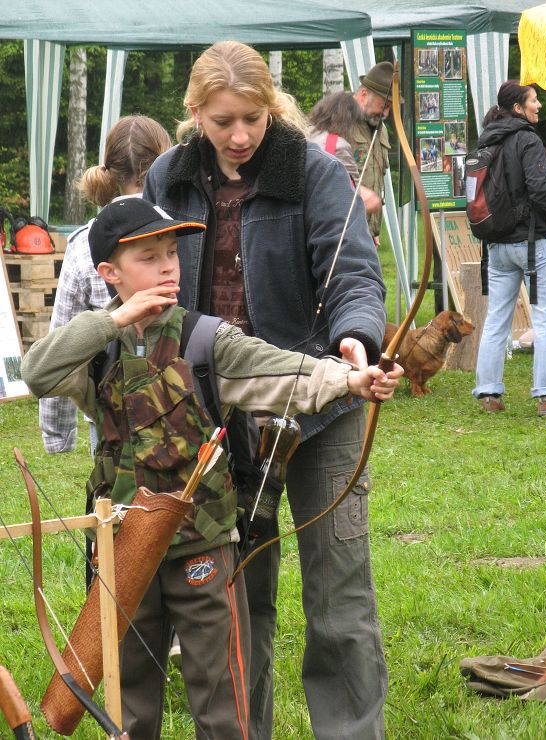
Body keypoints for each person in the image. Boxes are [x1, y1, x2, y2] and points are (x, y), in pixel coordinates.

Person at [20, 197, 401, 740]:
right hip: (124, 544)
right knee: (130, 696)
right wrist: (114, 319)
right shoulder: (97, 349)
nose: (167, 267)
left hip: (203, 542)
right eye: (148, 257)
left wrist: (351, 379)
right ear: (108, 273)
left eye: (171, 254)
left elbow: (281, 370)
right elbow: (36, 372)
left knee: (221, 691)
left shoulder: (204, 338)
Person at [143, 40, 397, 740]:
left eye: (252, 118)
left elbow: (354, 274)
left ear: (272, 108)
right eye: (223, 120)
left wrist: (356, 338)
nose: (240, 135)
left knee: (339, 596)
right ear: (195, 112)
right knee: (234, 597)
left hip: (321, 406)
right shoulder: (168, 176)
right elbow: (145, 278)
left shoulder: (314, 171)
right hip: (215, 417)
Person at [39, 115, 172, 455]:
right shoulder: (181, 230)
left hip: (109, 405)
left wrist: (57, 434)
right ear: (166, 158)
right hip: (180, 397)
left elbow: (64, 334)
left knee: (113, 487)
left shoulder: (82, 243)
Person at [471, 81, 546, 416]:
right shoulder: (528, 140)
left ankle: (489, 394)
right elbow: (541, 191)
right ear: (518, 108)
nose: (539, 106)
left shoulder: (487, 139)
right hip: (533, 243)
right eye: (534, 101)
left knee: (496, 319)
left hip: (496, 246)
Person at [307, 91, 382, 218]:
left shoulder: (306, 135)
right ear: (348, 119)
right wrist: (371, 199)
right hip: (329, 221)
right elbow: (353, 197)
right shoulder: (338, 146)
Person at [348, 61, 394, 246]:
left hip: (365, 234)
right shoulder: (337, 122)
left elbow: (374, 178)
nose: (386, 113)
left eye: (389, 107)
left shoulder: (380, 129)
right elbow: (325, 181)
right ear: (364, 95)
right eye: (383, 105)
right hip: (342, 233)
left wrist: (373, 229)